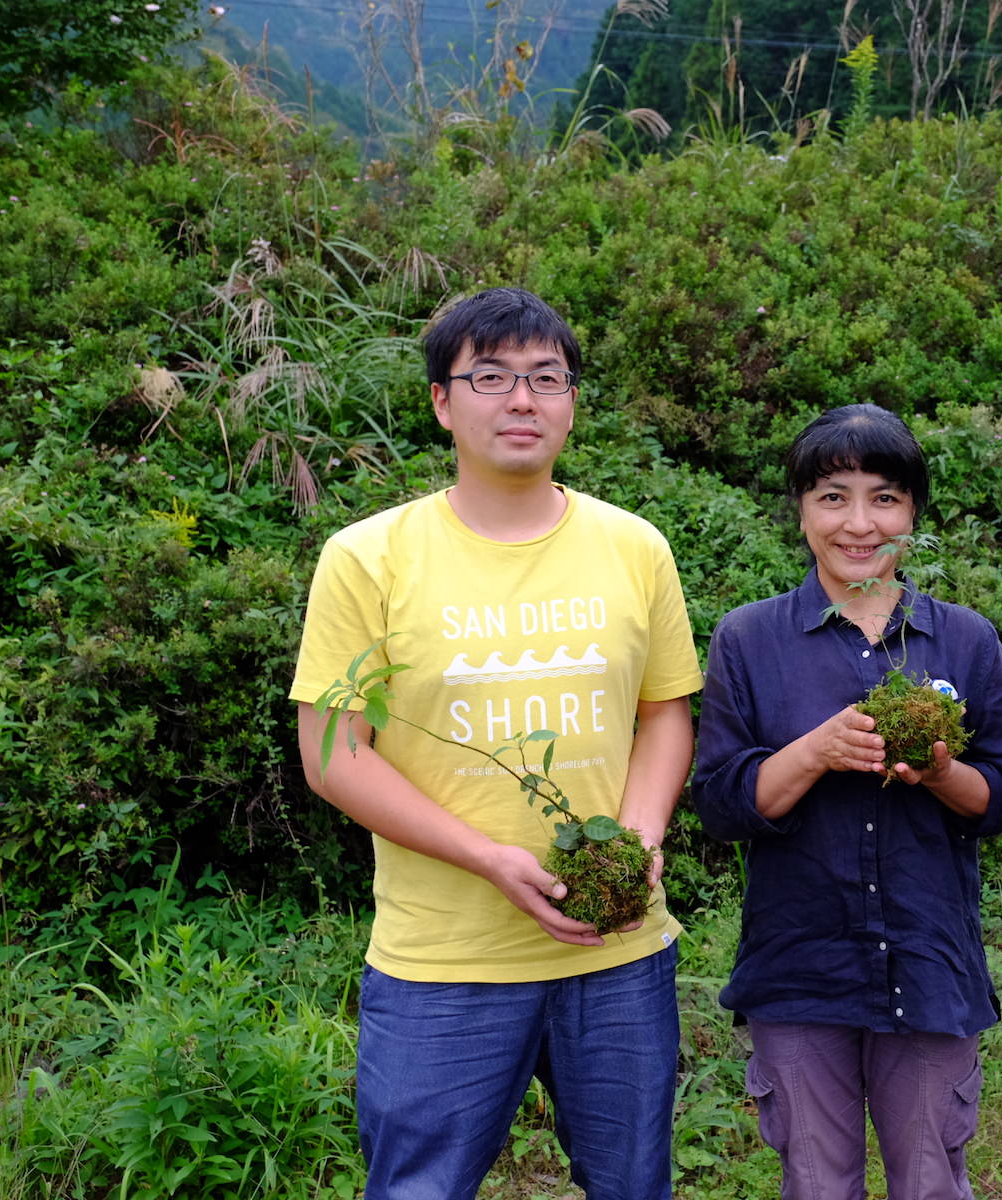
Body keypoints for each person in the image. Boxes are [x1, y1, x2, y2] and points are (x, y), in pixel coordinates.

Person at [288, 287, 702, 1200]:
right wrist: (487, 859)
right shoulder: (370, 557)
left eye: (546, 378)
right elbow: (332, 749)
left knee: (634, 1185)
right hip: (443, 962)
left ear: (571, 400)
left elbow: (666, 711)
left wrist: (636, 842)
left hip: (618, 951)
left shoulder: (636, 548)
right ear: (442, 400)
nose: (523, 399)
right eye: (492, 377)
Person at [693, 404, 1002, 1200]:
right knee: (817, 1182)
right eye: (832, 497)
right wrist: (813, 752)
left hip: (929, 960)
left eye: (884, 498)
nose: (859, 523)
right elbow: (717, 804)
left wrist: (944, 771)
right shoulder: (749, 639)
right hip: (799, 966)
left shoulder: (964, 639)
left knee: (929, 1179)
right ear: (802, 511)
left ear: (913, 511)